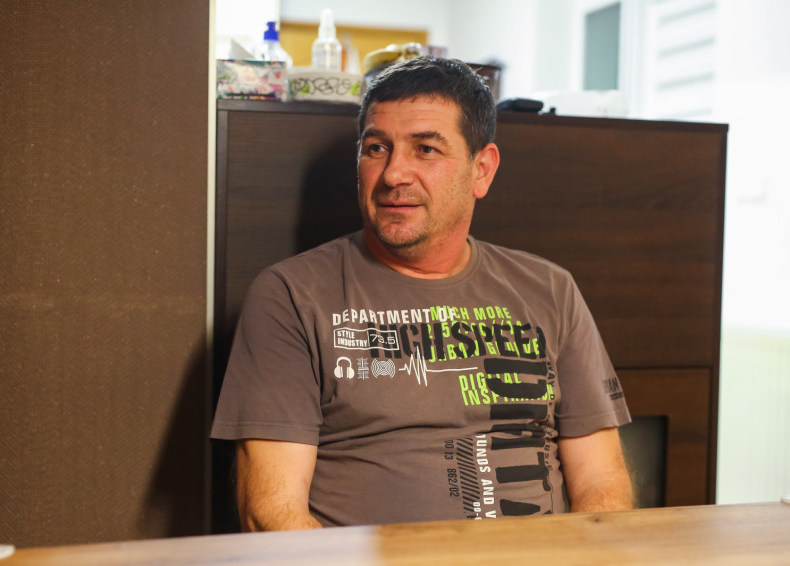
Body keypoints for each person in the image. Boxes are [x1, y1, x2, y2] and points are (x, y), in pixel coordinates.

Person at [211, 56, 633, 531]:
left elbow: (602, 482)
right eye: (376, 148)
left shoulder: (551, 290)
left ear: (481, 170)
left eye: (426, 149)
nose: (393, 174)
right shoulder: (291, 296)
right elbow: (272, 513)